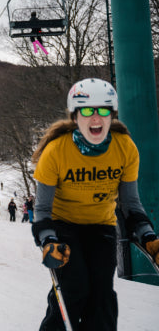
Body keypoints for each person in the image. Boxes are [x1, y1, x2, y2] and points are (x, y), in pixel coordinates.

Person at [30, 78, 159, 330]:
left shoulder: (125, 148)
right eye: (87, 111)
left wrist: (148, 236)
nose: (96, 118)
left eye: (103, 110)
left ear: (112, 115)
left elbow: (131, 203)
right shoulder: (56, 150)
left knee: (102, 294)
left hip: (101, 226)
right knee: (74, 287)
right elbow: (42, 208)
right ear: (75, 116)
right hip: (63, 225)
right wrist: (48, 239)